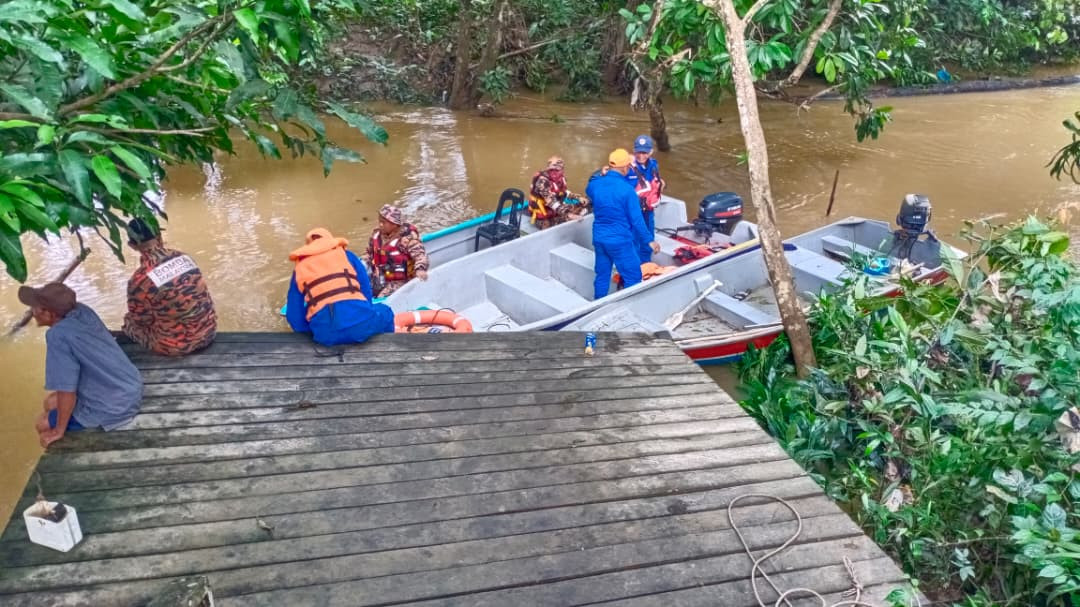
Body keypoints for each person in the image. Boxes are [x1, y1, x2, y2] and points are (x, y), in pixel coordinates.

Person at [19, 283, 143, 447]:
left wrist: (58, 430)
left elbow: (66, 390)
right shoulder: (82, 311)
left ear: (49, 314)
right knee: (50, 403)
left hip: (114, 406)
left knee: (42, 424)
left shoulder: (57, 335)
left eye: (35, 307)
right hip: (130, 386)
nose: (32, 312)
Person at [122, 218, 217, 356]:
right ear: (159, 236)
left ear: (132, 245)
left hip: (177, 347)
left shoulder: (138, 280)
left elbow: (140, 321)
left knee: (129, 321)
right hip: (209, 332)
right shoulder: (184, 257)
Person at [287, 227, 395, 346]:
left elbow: (294, 315)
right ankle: (387, 347)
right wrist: (364, 313)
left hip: (325, 335)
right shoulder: (347, 256)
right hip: (362, 326)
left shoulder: (300, 268)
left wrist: (312, 331)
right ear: (330, 241)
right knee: (386, 311)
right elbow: (365, 290)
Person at [586, 148, 660, 299]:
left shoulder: (596, 185)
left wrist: (601, 173)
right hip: (620, 241)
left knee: (602, 275)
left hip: (599, 238)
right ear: (625, 167)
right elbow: (637, 220)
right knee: (633, 277)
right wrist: (649, 240)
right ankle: (628, 308)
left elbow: (589, 188)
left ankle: (597, 304)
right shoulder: (627, 190)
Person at [366, 204, 430, 298]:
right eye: (380, 221)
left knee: (381, 298)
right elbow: (369, 252)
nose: (380, 224)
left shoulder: (407, 240)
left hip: (400, 281)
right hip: (379, 276)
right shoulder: (376, 234)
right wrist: (363, 263)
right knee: (363, 292)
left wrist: (420, 269)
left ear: (394, 224)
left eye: (384, 222)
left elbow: (421, 256)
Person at [626, 134, 666, 263]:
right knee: (634, 240)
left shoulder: (654, 165)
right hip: (633, 212)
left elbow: (653, 184)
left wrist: (661, 185)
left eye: (644, 152)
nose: (641, 156)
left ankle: (646, 264)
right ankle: (636, 269)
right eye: (638, 152)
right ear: (634, 150)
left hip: (648, 210)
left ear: (651, 152)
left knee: (648, 237)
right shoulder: (628, 168)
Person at [528, 156, 591, 229]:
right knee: (571, 217)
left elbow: (563, 192)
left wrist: (578, 197)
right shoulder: (542, 181)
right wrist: (568, 214)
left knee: (585, 204)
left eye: (559, 168)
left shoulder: (560, 178)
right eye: (553, 168)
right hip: (543, 219)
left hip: (555, 211)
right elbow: (551, 202)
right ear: (548, 168)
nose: (556, 171)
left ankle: (582, 211)